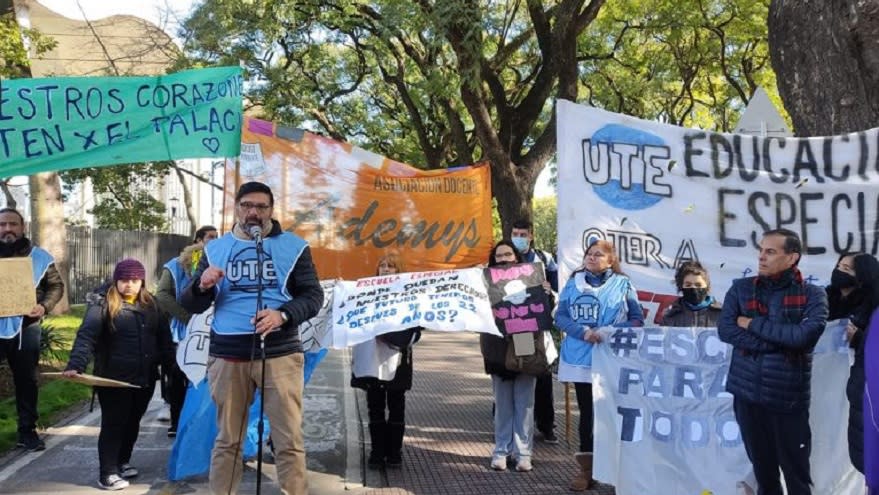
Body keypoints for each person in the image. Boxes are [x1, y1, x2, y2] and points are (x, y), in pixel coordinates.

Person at [181, 181, 323, 495]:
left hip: (280, 354)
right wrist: (201, 286)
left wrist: (282, 314)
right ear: (237, 209)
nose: (253, 212)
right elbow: (190, 303)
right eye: (247, 205)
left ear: (271, 211)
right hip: (228, 356)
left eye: (261, 206)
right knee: (227, 439)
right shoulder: (215, 249)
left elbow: (313, 296)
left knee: (288, 440)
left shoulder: (293, 246)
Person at [718, 228, 828, 495]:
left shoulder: (813, 295)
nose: (761, 257)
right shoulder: (741, 289)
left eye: (770, 251)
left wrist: (752, 323)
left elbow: (803, 337)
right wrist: (781, 342)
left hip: (787, 398)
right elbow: (727, 331)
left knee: (797, 474)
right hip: (747, 395)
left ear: (792, 258)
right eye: (760, 250)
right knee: (764, 474)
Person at [64, 258, 173, 491]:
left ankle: (122, 462)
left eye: (134, 280)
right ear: (116, 280)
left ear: (142, 281)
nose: (129, 285)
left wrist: (171, 367)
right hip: (113, 379)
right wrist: (76, 364)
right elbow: (87, 336)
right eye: (124, 280)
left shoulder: (152, 304)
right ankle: (107, 473)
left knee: (133, 422)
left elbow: (164, 339)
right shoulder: (102, 304)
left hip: (144, 378)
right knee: (114, 424)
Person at [554, 239, 643, 491]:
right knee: (588, 415)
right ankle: (586, 470)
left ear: (610, 260)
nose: (591, 258)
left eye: (598, 254)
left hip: (612, 359)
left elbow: (637, 321)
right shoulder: (574, 283)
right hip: (581, 359)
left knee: (614, 413)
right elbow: (560, 316)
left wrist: (608, 331)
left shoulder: (623, 285)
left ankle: (618, 472)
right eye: (589, 254)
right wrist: (583, 332)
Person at [0, 207, 64, 451]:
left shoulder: (39, 257)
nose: (7, 229)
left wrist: (44, 306)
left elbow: (56, 287)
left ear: (22, 226)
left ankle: (27, 432)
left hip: (26, 327)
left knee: (26, 380)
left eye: (12, 224)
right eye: (2, 224)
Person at [350, 254, 422, 470]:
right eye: (382, 265)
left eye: (391, 266)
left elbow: (418, 328)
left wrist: (396, 337)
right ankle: (377, 451)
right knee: (375, 406)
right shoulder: (366, 293)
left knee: (397, 406)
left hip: (398, 360)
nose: (386, 269)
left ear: (399, 270)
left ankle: (394, 452)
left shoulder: (410, 295)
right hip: (371, 358)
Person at [480, 240, 544, 472]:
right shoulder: (484, 282)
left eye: (508, 254)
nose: (504, 258)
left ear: (517, 257)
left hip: (525, 339)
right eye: (499, 255)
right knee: (503, 403)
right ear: (493, 259)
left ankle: (523, 453)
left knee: (525, 402)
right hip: (496, 343)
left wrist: (545, 294)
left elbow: (544, 310)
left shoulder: (531, 278)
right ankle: (501, 451)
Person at [154, 225, 218, 437]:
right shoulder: (174, 266)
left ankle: (201, 422)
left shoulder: (220, 262)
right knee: (178, 374)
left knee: (206, 378)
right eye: (210, 237)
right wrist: (188, 318)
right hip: (182, 331)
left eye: (217, 238)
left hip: (211, 331)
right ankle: (176, 420)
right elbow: (162, 295)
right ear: (198, 240)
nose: (214, 241)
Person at [825, 252, 879, 473]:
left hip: (864, 391)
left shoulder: (873, 306)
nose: (840, 271)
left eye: (847, 269)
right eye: (839, 266)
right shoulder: (825, 299)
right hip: (834, 388)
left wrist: (859, 339)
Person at [511, 219, 559, 444]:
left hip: (539, 325)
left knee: (542, 372)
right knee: (515, 369)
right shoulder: (506, 258)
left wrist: (551, 292)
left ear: (531, 236)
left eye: (522, 234)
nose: (518, 237)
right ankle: (513, 423)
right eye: (515, 233)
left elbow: (559, 288)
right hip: (515, 327)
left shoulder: (545, 259)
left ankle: (546, 424)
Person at [661, 260, 722, 327]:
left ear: (707, 286)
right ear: (681, 287)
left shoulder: (723, 314)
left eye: (698, 285)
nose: (693, 288)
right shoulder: (671, 315)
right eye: (688, 285)